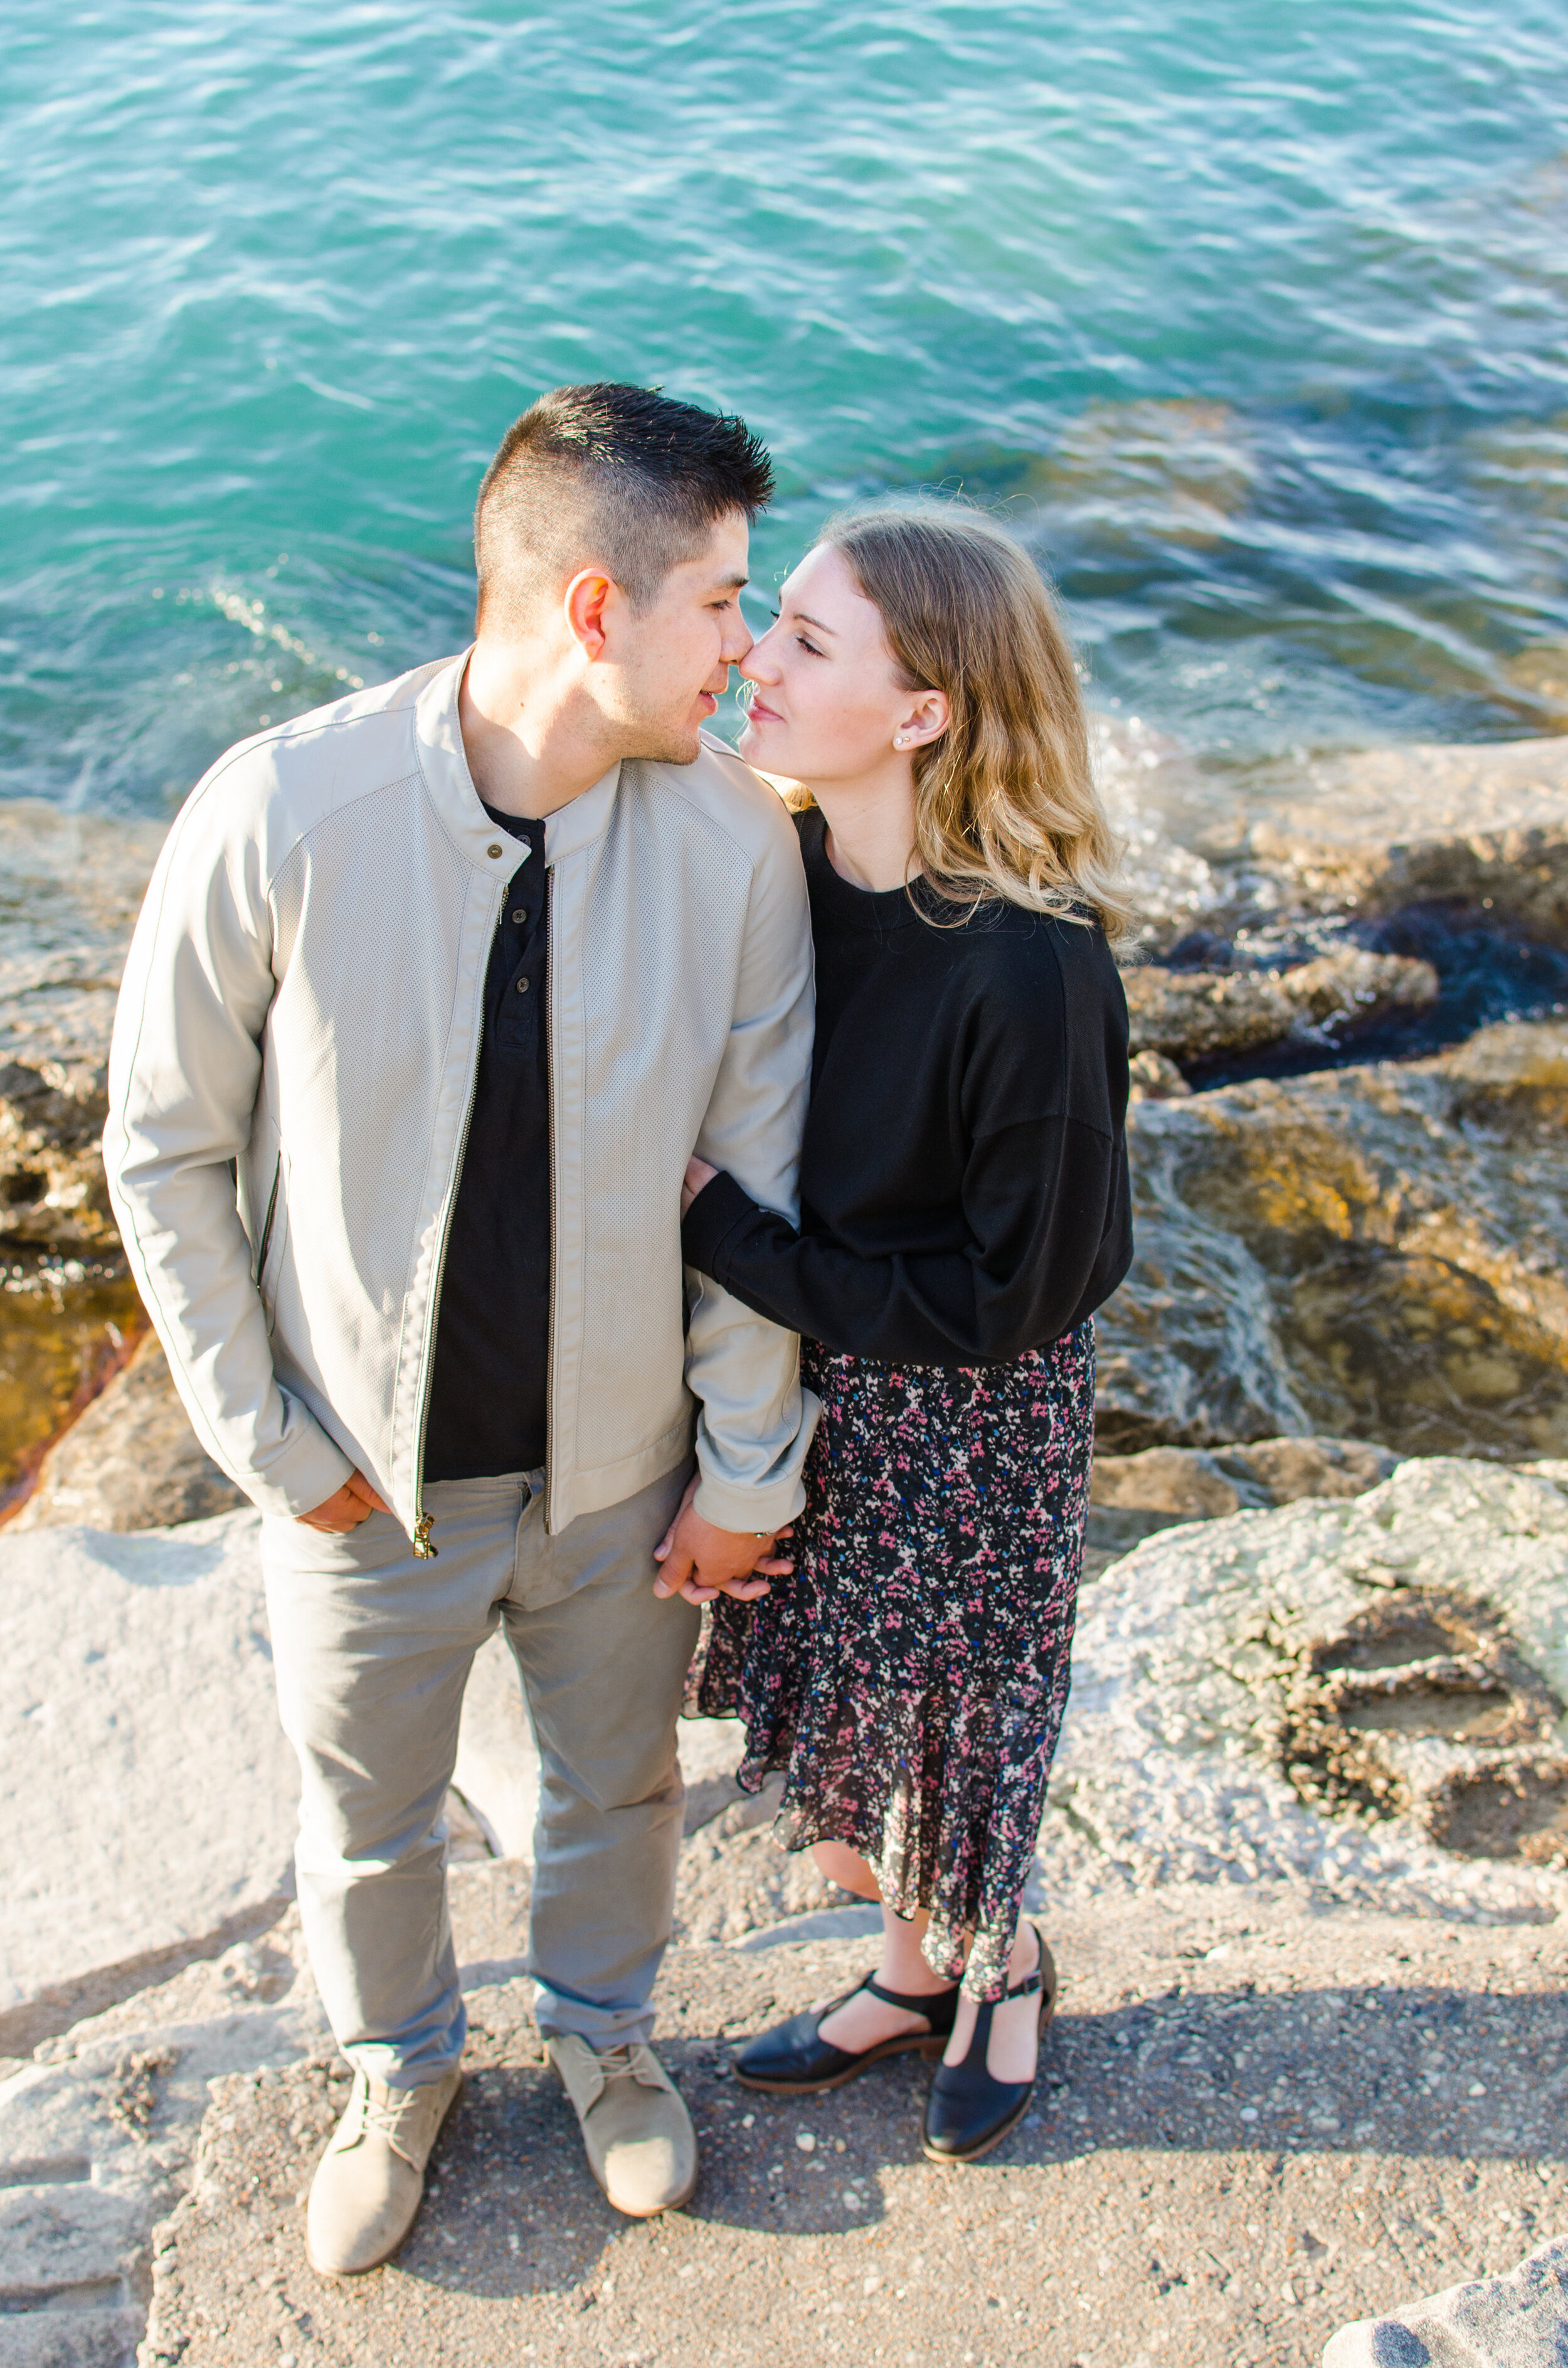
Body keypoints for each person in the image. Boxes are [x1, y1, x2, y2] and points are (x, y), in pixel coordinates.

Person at [103, 383, 818, 2271]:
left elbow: (759, 1199)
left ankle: (607, 2046)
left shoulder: (741, 846)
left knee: (622, 1790)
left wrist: (746, 1469)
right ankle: (394, 2069)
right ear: (598, 611)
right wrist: (276, 1452)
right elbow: (161, 1153)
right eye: (724, 603)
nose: (746, 646)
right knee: (367, 1818)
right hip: (359, 1481)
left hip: (617, 1483)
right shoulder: (280, 809)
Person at [667, 504, 1132, 2165]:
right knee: (850, 1725)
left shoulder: (1030, 968)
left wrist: (719, 1223)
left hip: (970, 1405)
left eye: (803, 639)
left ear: (923, 710)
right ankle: (905, 1973)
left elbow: (1017, 1296)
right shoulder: (778, 871)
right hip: (819, 1367)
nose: (750, 659)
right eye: (762, 621)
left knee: (947, 1722)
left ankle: (998, 1965)